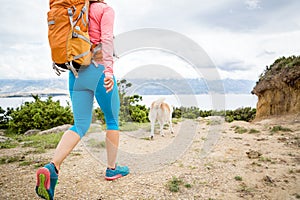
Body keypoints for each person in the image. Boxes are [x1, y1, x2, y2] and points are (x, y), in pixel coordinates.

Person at [35, 1, 129, 199]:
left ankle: (53, 167)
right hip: (98, 70)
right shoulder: (105, 10)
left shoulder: (79, 9)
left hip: (76, 72)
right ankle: (112, 169)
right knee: (112, 120)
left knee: (79, 124)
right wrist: (109, 72)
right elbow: (106, 40)